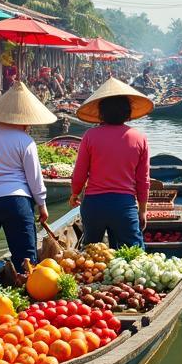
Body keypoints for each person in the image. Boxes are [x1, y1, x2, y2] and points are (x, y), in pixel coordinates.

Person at [0, 81, 54, 274]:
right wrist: (42, 204)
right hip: (16, 201)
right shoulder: (25, 141)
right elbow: (34, 179)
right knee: (25, 260)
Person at [69, 79, 153, 248]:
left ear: (101, 113)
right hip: (124, 206)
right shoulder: (139, 138)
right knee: (134, 255)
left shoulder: (90, 136)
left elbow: (79, 173)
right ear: (127, 112)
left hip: (94, 205)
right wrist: (143, 210)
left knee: (91, 255)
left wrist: (75, 193)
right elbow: (143, 181)